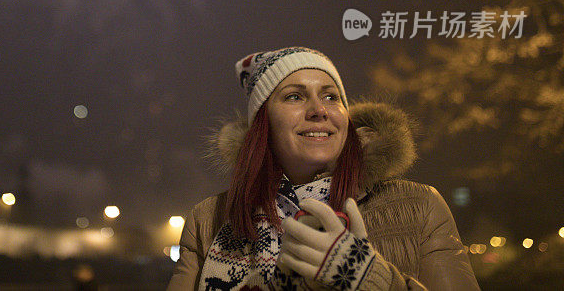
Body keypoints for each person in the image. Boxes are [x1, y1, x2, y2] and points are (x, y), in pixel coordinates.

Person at [167, 47, 479, 290]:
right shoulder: (210, 218)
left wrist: (373, 281)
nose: (319, 110)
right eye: (294, 97)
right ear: (263, 125)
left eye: (331, 96)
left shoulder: (419, 207)